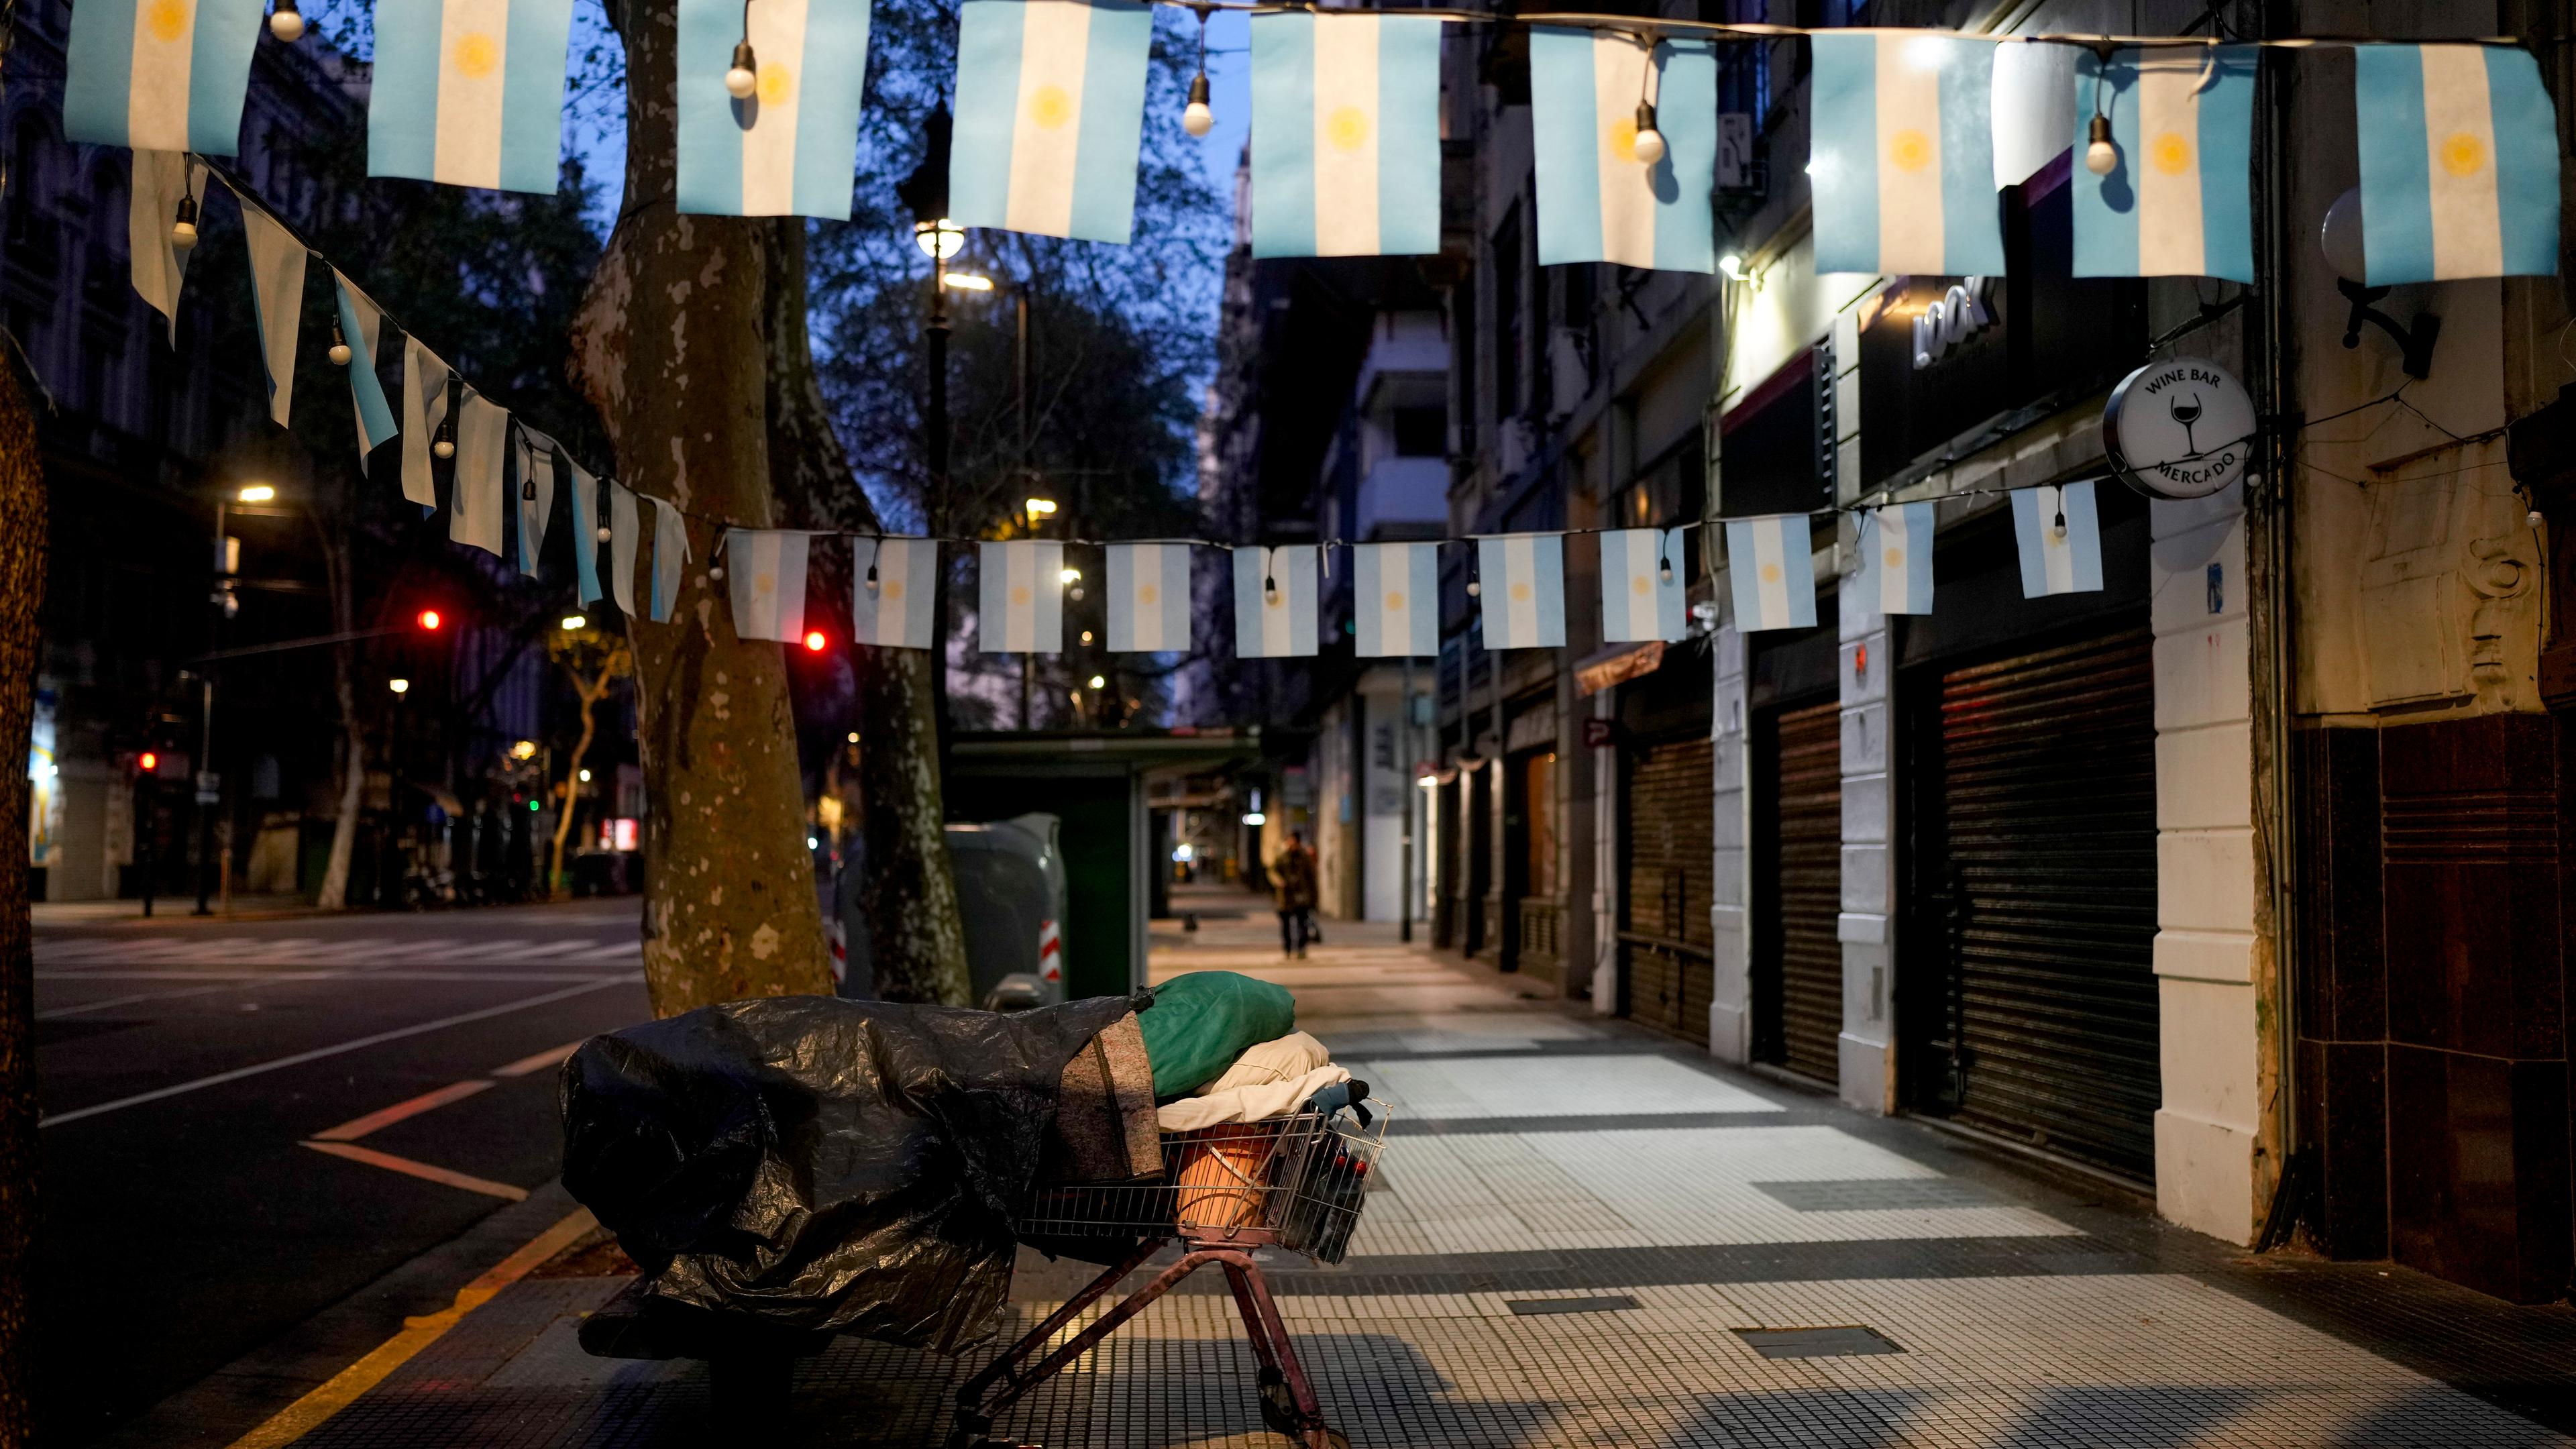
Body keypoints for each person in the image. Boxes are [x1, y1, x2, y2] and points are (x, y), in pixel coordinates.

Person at [1269, 830, 1319, 958]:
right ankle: (1288, 948)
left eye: (1294, 842)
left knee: (1302, 923)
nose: (1291, 844)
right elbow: (1273, 872)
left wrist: (1314, 897)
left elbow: (1312, 877)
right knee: (1286, 925)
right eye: (1289, 841)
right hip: (1285, 896)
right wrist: (1279, 881)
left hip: (1302, 896)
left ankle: (1301, 948)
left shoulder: (1305, 857)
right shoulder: (1282, 857)